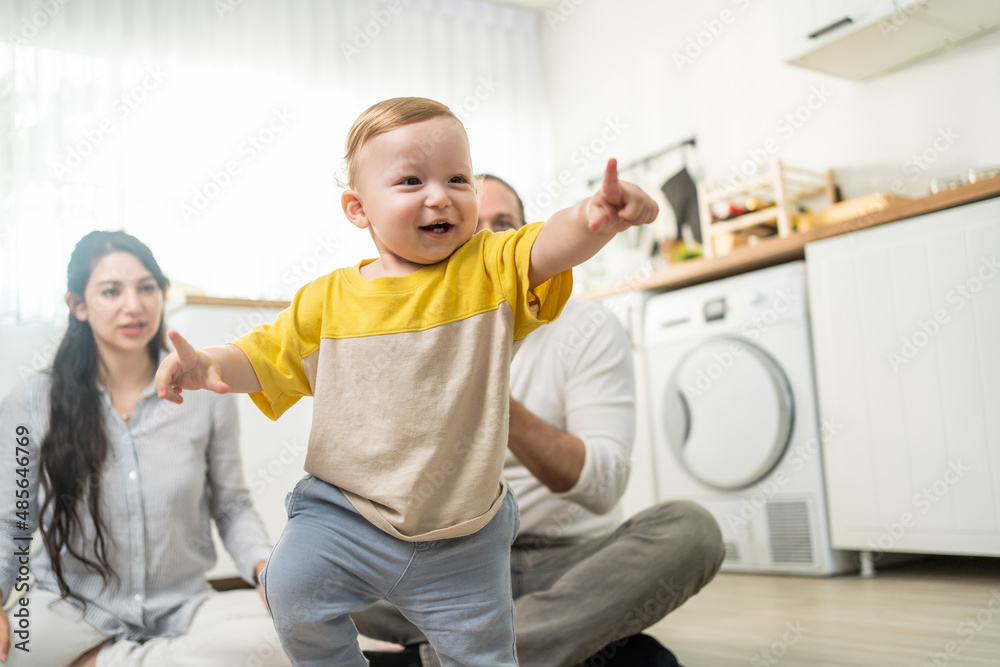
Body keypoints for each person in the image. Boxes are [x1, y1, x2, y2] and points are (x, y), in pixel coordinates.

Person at [153, 97, 659, 667]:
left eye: (458, 178)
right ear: (357, 208)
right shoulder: (330, 298)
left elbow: (546, 244)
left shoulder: (488, 268)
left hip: (463, 535)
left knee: (485, 653)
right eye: (411, 180)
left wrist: (593, 218)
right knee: (292, 590)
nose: (439, 195)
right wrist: (212, 364)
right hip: (347, 514)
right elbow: (268, 352)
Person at [359, 175, 726, 667]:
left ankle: (439, 658)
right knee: (308, 565)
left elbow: (602, 486)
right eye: (473, 227)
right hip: (455, 570)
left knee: (691, 531)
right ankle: (576, 642)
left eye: (503, 226)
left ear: (526, 239)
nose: (486, 241)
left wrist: (488, 399)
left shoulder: (587, 327)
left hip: (568, 564)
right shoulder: (407, 333)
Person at [0, 231, 289, 666]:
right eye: (111, 291)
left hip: (183, 607)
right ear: (78, 305)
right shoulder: (32, 399)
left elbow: (231, 506)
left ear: (162, 295)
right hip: (71, 604)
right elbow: (10, 522)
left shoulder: (205, 391)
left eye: (146, 288)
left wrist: (265, 568)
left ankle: (103, 661)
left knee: (287, 642)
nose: (133, 305)